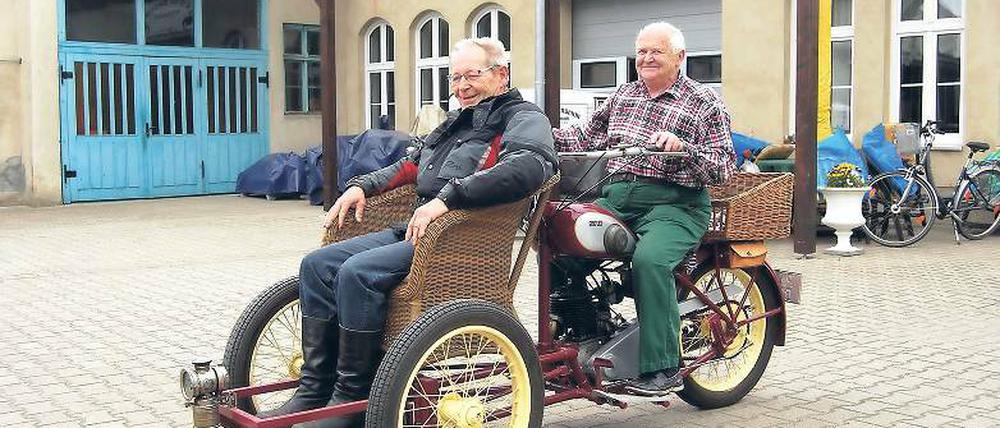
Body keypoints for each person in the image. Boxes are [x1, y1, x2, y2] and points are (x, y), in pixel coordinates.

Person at [260, 37, 558, 427]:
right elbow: (410, 166)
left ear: (501, 74)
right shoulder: (458, 121)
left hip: (461, 239)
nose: (461, 85)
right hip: (418, 228)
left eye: (472, 75)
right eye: (455, 78)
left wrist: (450, 197)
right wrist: (362, 186)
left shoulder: (523, 117)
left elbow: (530, 166)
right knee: (317, 265)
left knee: (356, 273)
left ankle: (354, 397)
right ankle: (315, 388)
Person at [552, 21, 736, 396]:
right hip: (618, 198)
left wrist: (684, 149)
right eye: (642, 52)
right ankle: (584, 333)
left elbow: (724, 166)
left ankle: (664, 367)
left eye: (657, 51)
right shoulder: (623, 95)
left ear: (679, 57)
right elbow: (580, 137)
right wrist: (532, 133)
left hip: (676, 204)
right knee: (557, 242)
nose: (647, 58)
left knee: (650, 261)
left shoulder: (703, 101)